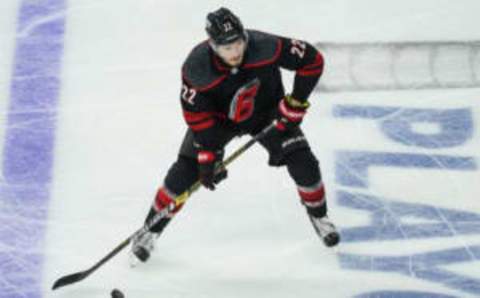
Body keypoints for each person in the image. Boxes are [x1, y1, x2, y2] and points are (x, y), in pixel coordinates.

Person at [131, 7, 340, 263]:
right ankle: (149, 231)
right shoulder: (196, 68)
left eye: (238, 43)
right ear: (212, 45)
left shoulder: (265, 46)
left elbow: (312, 60)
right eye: (226, 47)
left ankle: (319, 215)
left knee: (304, 162)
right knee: (185, 172)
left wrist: (296, 102)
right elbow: (198, 117)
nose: (235, 52)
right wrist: (209, 155)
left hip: (267, 113)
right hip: (218, 123)